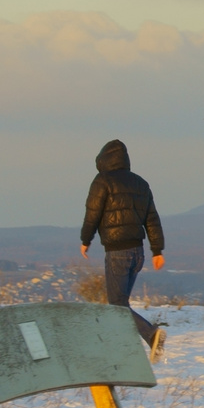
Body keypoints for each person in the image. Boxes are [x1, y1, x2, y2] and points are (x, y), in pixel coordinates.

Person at [80, 139, 166, 358]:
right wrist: (157, 250)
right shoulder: (140, 183)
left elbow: (93, 213)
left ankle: (151, 335)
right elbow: (152, 219)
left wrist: (85, 239)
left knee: (117, 305)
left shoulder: (103, 181)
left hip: (117, 251)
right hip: (138, 253)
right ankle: (122, 349)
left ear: (104, 160)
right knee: (120, 306)